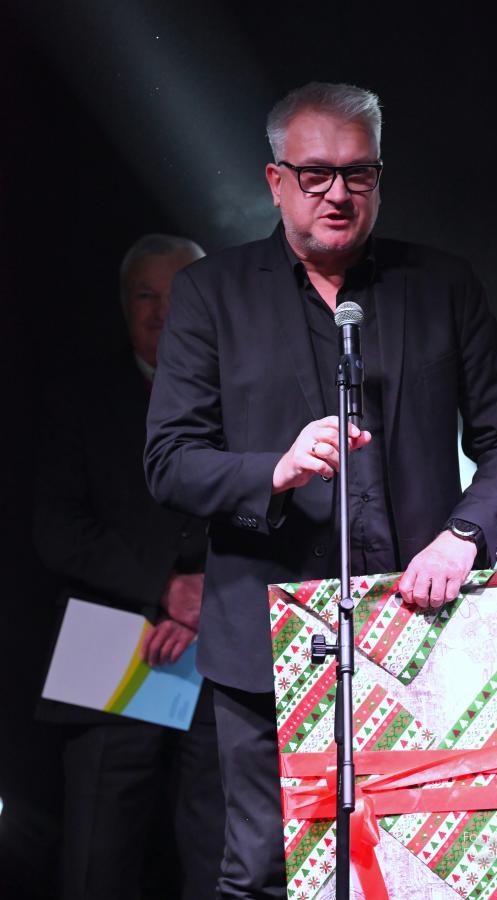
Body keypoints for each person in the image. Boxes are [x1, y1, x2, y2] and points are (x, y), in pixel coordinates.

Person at [144, 83, 497, 898]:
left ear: (379, 178)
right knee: (262, 873)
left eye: (358, 173)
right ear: (276, 181)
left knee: (421, 875)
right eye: (316, 174)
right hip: (269, 645)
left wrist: (464, 536)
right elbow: (170, 461)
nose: (338, 193)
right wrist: (274, 470)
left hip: (419, 632)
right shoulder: (212, 293)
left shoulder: (443, 284)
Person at [34, 234, 225, 900]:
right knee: (99, 861)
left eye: (179, 295)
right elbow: (56, 531)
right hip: (110, 642)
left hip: (219, 646)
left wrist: (207, 600)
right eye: (146, 295)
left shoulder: (245, 397)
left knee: (220, 861)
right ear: (123, 304)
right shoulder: (77, 399)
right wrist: (165, 588)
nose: (162, 312)